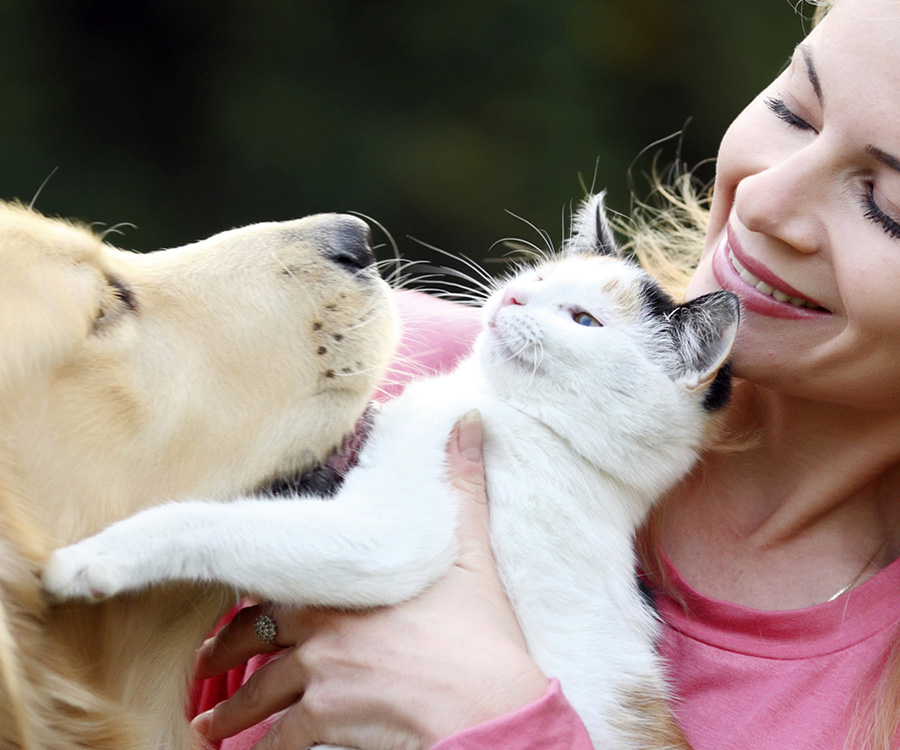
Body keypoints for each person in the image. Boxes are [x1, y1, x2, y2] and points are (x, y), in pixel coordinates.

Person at [190, 0, 900, 747]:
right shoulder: (388, 366)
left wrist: (496, 720)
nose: (763, 199)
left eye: (887, 205)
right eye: (795, 110)